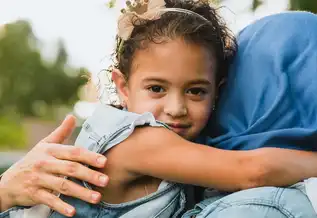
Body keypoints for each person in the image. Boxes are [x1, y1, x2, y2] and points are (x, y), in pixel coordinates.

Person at [1, 1, 317, 217]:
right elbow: (253, 171)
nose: (176, 108)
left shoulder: (187, 145)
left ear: (217, 92)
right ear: (122, 86)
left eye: (196, 91)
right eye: (156, 89)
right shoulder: (133, 140)